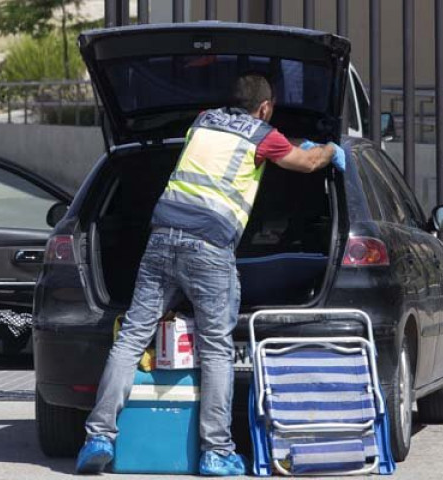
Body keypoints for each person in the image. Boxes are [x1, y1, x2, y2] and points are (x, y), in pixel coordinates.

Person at [75, 73, 346, 476]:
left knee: (132, 335)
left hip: (162, 238)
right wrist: (327, 149)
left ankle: (99, 437)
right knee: (216, 347)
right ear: (266, 107)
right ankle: (216, 451)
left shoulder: (201, 121)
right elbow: (305, 163)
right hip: (209, 249)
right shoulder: (265, 135)